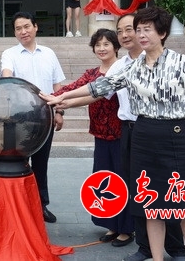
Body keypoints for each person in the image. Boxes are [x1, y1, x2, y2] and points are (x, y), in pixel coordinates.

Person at [42, 7, 185, 261]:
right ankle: (156, 257)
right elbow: (98, 87)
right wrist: (60, 97)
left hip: (175, 135)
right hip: (143, 136)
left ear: (162, 33)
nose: (141, 35)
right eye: (139, 30)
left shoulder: (181, 62)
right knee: (150, 206)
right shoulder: (132, 68)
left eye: (147, 30)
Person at [111, 14, 185, 261]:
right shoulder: (123, 66)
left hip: (165, 133)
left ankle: (176, 248)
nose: (127, 35)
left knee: (170, 191)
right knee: (140, 191)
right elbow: (97, 88)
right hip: (133, 132)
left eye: (132, 29)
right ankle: (145, 247)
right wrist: (61, 100)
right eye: (121, 31)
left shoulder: (173, 62)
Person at [52, 29, 134, 247]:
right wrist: (49, 97)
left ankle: (126, 229)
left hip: (121, 134)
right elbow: (72, 88)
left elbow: (92, 95)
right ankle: (112, 224)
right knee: (104, 180)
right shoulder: (91, 74)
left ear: (116, 46)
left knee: (123, 181)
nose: (102, 48)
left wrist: (63, 100)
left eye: (107, 44)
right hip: (100, 134)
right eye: (98, 45)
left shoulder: (123, 70)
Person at [0, 11, 66, 223]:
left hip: (45, 116)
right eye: (18, 28)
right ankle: (17, 207)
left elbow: (57, 86)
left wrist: (59, 112)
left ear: (35, 27)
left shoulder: (49, 53)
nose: (23, 31)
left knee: (41, 163)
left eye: (26, 26)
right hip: (19, 118)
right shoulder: (9, 54)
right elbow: (6, 76)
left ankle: (40, 205)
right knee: (18, 162)